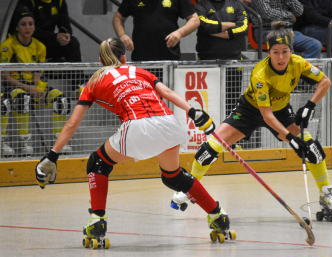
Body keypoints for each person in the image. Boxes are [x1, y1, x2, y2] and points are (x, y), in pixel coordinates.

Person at [35, 37, 234, 245]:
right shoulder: (139, 71)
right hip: (168, 122)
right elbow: (167, 92)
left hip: (137, 125)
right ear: (124, 57)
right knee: (174, 177)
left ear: (100, 61)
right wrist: (194, 112)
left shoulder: (94, 81)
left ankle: (97, 220)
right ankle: (218, 215)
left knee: (98, 162)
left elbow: (72, 124)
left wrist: (52, 155)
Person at [170, 22, 332, 222]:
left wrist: (309, 106)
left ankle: (326, 194)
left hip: (281, 112)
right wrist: (290, 138)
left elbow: (325, 81)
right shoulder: (260, 74)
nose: (281, 57)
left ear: (291, 51)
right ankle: (189, 188)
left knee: (311, 147)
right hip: (250, 111)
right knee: (208, 150)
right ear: (268, 53)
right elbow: (266, 116)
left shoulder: (299, 63)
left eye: (285, 51)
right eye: (275, 52)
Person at [0, 7, 71, 157]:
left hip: (31, 87)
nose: (28, 27)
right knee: (22, 98)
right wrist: (29, 88)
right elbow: (5, 76)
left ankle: (59, 142)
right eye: (24, 24)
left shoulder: (39, 46)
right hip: (13, 87)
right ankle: (24, 143)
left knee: (61, 99)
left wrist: (39, 89)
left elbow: (39, 74)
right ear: (17, 27)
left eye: (31, 24)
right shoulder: (7, 46)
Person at [17, 0, 87, 91]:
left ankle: (78, 85)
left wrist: (65, 35)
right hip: (31, 42)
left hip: (49, 41)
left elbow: (65, 23)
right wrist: (55, 37)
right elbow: (28, 30)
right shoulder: (29, 2)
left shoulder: (59, 2)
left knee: (72, 43)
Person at [194, 0, 248, 113]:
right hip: (207, 63)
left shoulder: (236, 4)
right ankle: (210, 130)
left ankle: (230, 128)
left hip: (233, 63)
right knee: (208, 102)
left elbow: (243, 27)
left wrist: (219, 32)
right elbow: (203, 24)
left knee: (232, 103)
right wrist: (231, 25)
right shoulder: (202, 5)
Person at [113, 0, 200, 61]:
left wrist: (180, 33)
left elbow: (195, 19)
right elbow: (118, 17)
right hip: (141, 59)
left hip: (170, 58)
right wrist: (122, 35)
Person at [251, 0, 322, 59]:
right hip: (267, 30)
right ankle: (291, 73)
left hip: (288, 30)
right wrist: (290, 15)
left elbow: (299, 11)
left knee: (315, 45)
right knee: (286, 46)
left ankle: (302, 71)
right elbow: (267, 13)